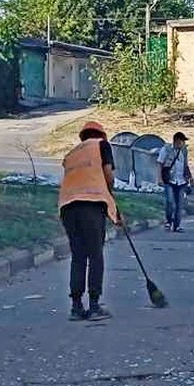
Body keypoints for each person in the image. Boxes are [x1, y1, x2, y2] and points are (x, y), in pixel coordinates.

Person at [58, 120, 122, 321]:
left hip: (68, 206)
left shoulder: (72, 154)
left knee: (78, 256)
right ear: (101, 135)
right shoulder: (102, 146)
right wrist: (112, 200)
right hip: (91, 204)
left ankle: (76, 306)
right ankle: (94, 305)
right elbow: (108, 176)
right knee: (95, 254)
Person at [157, 131, 193, 232]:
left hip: (181, 181)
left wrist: (190, 178)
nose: (183, 144)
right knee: (170, 202)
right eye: (182, 141)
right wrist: (159, 178)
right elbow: (159, 164)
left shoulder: (184, 151)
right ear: (177, 141)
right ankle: (168, 221)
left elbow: (186, 165)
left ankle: (177, 225)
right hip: (169, 180)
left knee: (179, 204)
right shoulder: (166, 150)